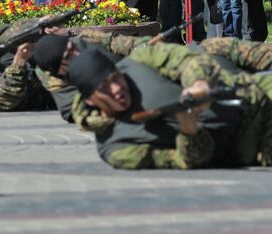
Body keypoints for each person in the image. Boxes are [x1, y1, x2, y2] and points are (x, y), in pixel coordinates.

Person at [66, 46, 272, 169]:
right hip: (254, 143)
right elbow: (186, 161)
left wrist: (199, 84)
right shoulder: (117, 149)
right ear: (90, 99)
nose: (116, 88)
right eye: (105, 88)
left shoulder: (138, 60)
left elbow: (185, 58)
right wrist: (189, 131)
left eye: (115, 78)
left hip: (258, 92)